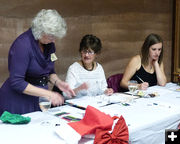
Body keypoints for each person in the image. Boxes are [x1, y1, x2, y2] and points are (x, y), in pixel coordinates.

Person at [0, 9, 75, 115]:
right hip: (18, 101)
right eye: (51, 36)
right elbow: (17, 82)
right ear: (40, 31)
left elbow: (49, 71)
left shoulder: (49, 44)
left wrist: (58, 82)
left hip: (39, 99)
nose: (54, 40)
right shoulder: (22, 45)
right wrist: (49, 94)